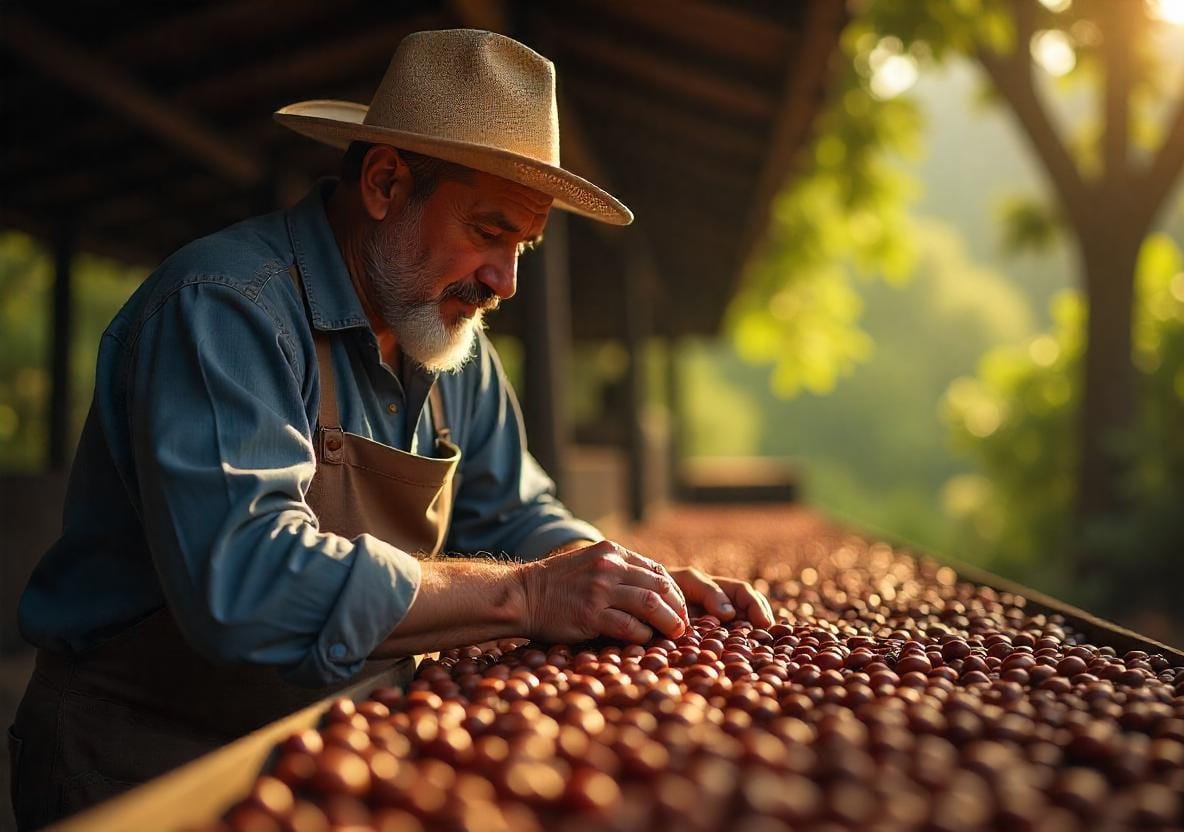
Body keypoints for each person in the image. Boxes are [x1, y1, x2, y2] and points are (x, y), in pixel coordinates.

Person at [8, 29, 774, 828]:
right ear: (383, 183)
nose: (504, 283)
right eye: (488, 231)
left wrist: (612, 575)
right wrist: (531, 592)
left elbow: (515, 513)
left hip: (328, 745)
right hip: (140, 758)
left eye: (524, 245)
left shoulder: (448, 343)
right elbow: (246, 583)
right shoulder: (225, 308)